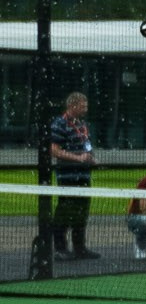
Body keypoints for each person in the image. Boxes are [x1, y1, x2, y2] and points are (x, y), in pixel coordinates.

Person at [49, 92, 95, 259]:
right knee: (65, 212)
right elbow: (54, 150)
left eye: (86, 106)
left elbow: (85, 146)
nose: (85, 109)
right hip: (68, 177)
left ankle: (80, 248)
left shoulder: (82, 124)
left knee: (82, 212)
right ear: (72, 106)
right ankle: (60, 249)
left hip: (84, 176)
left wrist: (90, 159)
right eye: (83, 106)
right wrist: (78, 158)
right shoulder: (59, 124)